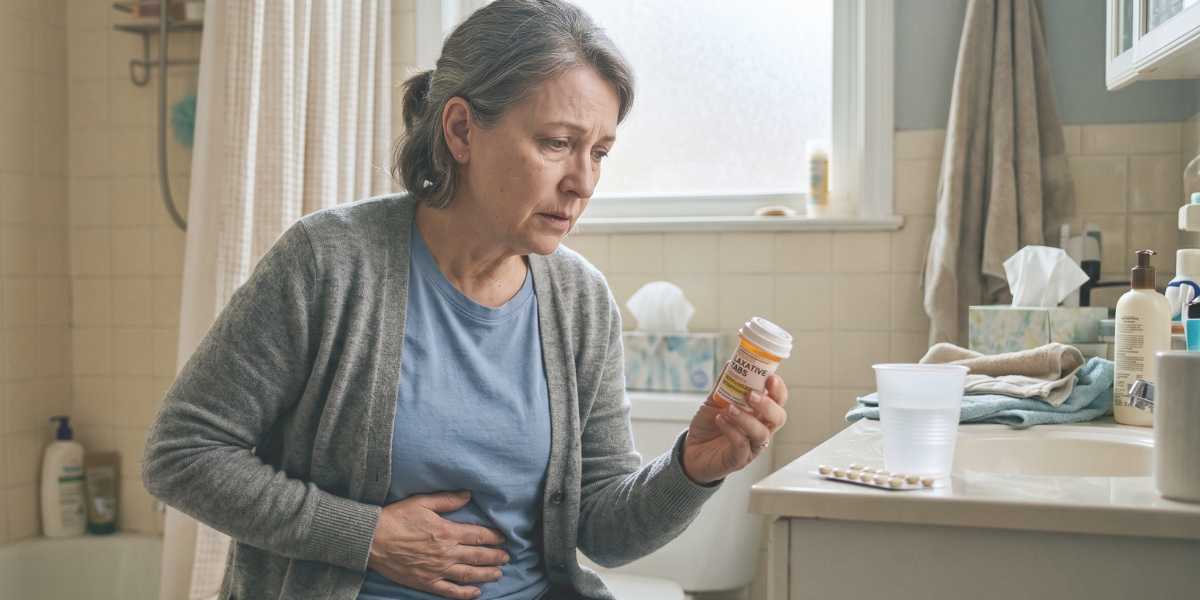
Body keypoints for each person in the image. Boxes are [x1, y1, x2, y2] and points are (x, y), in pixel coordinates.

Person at [142, 1, 790, 599]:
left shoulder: (580, 301)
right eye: (557, 143)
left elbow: (604, 531)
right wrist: (368, 536)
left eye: (600, 152)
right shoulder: (329, 262)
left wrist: (693, 470)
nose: (583, 181)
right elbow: (182, 455)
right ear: (460, 130)